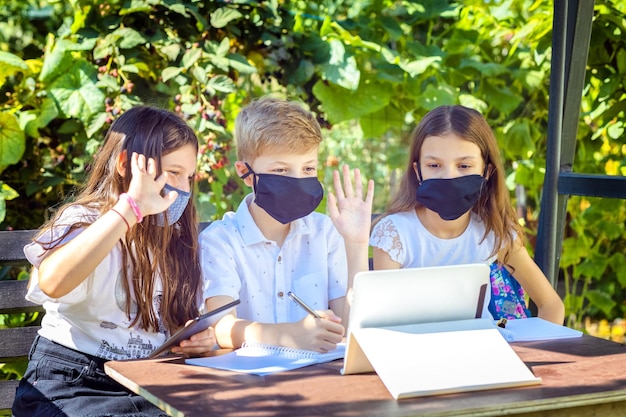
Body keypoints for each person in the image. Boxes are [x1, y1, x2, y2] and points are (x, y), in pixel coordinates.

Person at [13, 106, 216, 417]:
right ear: (125, 164)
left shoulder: (175, 238)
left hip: (147, 383)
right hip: (70, 382)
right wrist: (128, 211)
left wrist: (199, 340)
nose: (184, 189)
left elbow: (173, 323)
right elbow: (51, 282)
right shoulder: (86, 221)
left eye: (189, 177)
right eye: (174, 173)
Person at [200, 96, 374, 352]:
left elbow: (350, 327)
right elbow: (221, 327)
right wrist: (289, 336)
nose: (297, 180)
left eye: (308, 169)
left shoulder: (325, 232)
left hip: (319, 376)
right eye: (281, 170)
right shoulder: (220, 240)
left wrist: (357, 245)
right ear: (244, 172)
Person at [370, 105, 565, 325]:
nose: (449, 176)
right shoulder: (394, 235)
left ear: (487, 171)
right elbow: (383, 322)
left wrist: (535, 355)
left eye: (464, 165)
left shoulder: (495, 232)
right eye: (434, 165)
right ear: (418, 171)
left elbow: (551, 305)